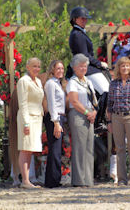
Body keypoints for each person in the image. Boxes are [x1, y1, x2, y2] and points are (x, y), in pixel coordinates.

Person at [66, 6, 109, 132]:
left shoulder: (80, 32)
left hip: (86, 65)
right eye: (82, 18)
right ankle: (99, 122)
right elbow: (85, 56)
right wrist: (99, 64)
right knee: (106, 89)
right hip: (84, 66)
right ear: (74, 19)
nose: (85, 20)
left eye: (86, 19)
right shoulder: (77, 34)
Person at [107, 56, 130, 186]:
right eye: (123, 66)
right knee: (120, 149)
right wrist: (109, 122)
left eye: (127, 66)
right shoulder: (113, 83)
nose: (125, 68)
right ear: (119, 68)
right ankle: (122, 179)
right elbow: (109, 104)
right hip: (116, 117)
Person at [66, 53, 97, 187]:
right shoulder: (72, 82)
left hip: (89, 115)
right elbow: (74, 100)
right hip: (78, 114)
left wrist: (94, 112)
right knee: (79, 147)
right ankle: (78, 180)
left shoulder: (88, 81)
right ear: (74, 68)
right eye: (80, 66)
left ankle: (88, 179)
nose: (83, 69)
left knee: (89, 147)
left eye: (85, 66)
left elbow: (94, 100)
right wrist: (87, 112)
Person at [17, 57, 44, 189]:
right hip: (26, 117)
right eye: (34, 66)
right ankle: (25, 181)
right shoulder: (23, 81)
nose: (37, 69)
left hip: (37, 117)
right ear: (27, 67)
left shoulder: (38, 81)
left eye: (38, 66)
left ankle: (27, 181)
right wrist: (26, 123)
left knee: (30, 149)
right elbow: (22, 103)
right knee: (25, 148)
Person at [43, 60, 66, 188]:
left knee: (56, 150)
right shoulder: (51, 84)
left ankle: (54, 179)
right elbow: (52, 104)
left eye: (62, 68)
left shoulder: (57, 83)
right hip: (54, 119)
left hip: (58, 117)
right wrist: (56, 122)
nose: (61, 71)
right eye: (58, 68)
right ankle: (52, 181)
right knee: (54, 150)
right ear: (52, 70)